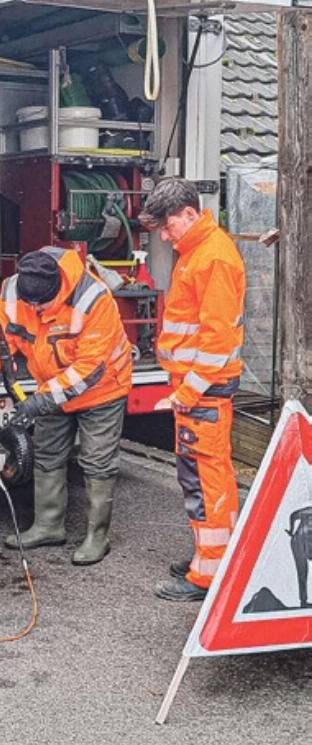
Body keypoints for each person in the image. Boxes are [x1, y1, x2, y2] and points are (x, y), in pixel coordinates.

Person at [0, 246, 132, 565]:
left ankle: (97, 537)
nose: (34, 309)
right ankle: (48, 526)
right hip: (53, 388)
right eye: (30, 303)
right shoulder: (16, 291)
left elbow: (90, 368)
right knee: (47, 454)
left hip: (102, 390)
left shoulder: (93, 299)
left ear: (58, 288)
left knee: (97, 461)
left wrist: (39, 401)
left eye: (41, 304)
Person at [140, 179, 246, 602]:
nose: (165, 236)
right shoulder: (198, 251)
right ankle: (211, 557)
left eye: (168, 227)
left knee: (206, 482)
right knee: (201, 477)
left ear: (188, 213)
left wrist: (186, 394)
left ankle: (209, 575)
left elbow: (217, 342)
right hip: (196, 388)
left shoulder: (212, 257)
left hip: (202, 391)